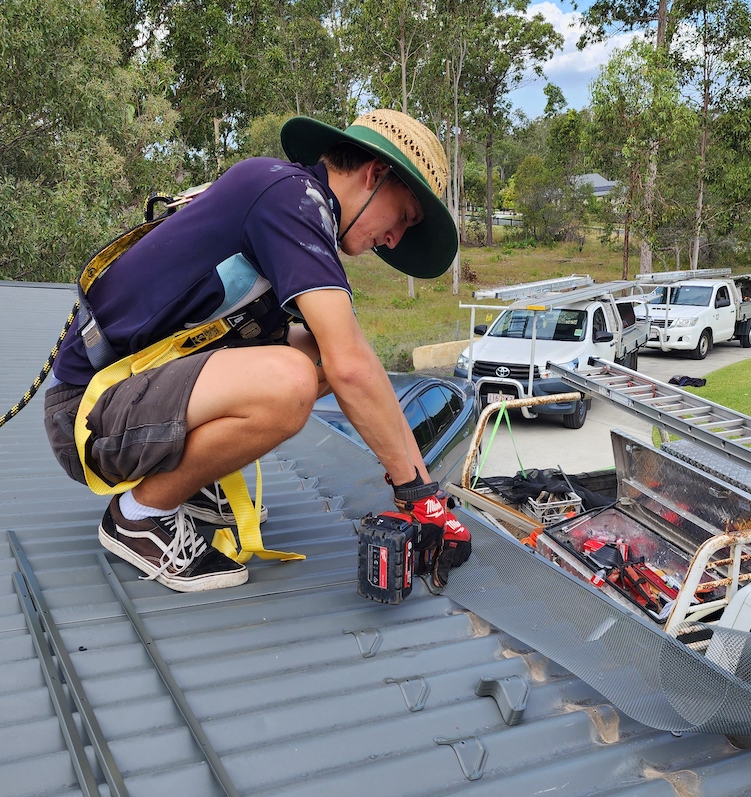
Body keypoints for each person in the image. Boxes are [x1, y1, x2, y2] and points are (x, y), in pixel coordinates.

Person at [43, 109, 470, 592]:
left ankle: (189, 476)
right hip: (87, 413)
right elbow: (353, 370)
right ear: (375, 175)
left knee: (320, 356)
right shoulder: (291, 199)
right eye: (404, 217)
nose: (394, 240)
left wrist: (421, 485)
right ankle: (140, 513)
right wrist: (418, 495)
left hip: (127, 396)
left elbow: (349, 356)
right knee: (290, 381)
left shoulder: (289, 197)